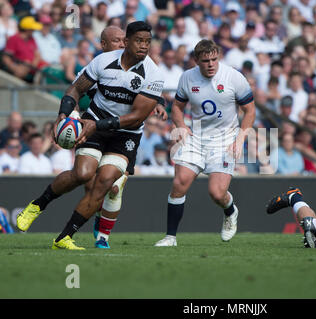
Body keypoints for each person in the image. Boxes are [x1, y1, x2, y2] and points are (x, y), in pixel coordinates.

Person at [16, 21, 165, 251]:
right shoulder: (103, 61)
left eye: (147, 41)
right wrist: (63, 114)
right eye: (139, 41)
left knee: (106, 182)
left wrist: (97, 126)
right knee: (83, 174)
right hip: (93, 122)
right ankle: (38, 205)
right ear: (126, 42)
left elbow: (136, 117)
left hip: (125, 134)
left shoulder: (153, 74)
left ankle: (64, 238)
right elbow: (76, 88)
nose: (144, 46)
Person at [154, 39, 256, 246]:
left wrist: (240, 138)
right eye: (205, 60)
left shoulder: (234, 77)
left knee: (216, 193)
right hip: (197, 137)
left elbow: (250, 110)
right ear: (196, 61)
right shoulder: (187, 78)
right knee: (179, 182)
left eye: (214, 59)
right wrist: (181, 125)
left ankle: (230, 211)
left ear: (218, 57)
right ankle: (170, 237)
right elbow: (177, 107)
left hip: (225, 138)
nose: (210, 64)